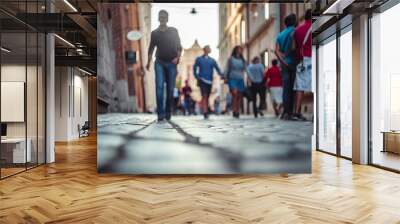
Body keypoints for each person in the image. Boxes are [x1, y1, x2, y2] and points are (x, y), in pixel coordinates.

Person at [146, 10, 182, 122]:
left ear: (167, 18)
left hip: (172, 63)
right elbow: (151, 49)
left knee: (171, 89)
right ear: (158, 18)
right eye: (160, 16)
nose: (162, 18)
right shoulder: (154, 33)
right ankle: (160, 113)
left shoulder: (174, 31)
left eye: (164, 16)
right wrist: (148, 62)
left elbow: (180, 47)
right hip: (159, 62)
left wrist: (178, 58)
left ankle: (168, 111)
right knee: (159, 87)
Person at [275, 14, 297, 120]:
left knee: (286, 88)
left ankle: (285, 112)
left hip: (284, 64)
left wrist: (282, 61)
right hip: (294, 62)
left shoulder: (280, 35)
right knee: (294, 88)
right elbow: (294, 47)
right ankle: (291, 112)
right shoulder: (295, 31)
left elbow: (276, 50)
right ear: (294, 21)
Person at [193, 45, 223, 119]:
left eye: (210, 48)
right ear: (204, 50)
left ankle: (206, 109)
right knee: (204, 95)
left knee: (208, 95)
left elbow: (217, 69)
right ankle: (205, 111)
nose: (209, 49)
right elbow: (194, 68)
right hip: (202, 80)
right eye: (208, 48)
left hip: (209, 80)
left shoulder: (212, 60)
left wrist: (222, 75)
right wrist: (197, 77)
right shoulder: (199, 59)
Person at [292, 9, 312, 121]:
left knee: (300, 88)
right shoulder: (316, 26)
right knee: (317, 85)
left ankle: (297, 112)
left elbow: (294, 47)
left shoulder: (297, 30)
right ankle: (316, 112)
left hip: (302, 61)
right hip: (314, 58)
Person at [225, 46, 247, 118]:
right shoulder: (231, 59)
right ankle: (234, 110)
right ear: (235, 50)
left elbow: (247, 69)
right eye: (239, 49)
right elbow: (227, 68)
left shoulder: (243, 60)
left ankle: (237, 111)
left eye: (241, 50)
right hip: (232, 78)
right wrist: (225, 77)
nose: (240, 51)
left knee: (239, 96)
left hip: (240, 79)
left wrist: (251, 78)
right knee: (234, 94)